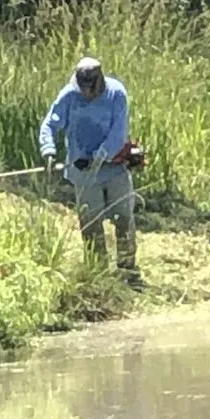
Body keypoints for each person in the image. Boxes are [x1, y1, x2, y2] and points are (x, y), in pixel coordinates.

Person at [38, 56, 141, 283]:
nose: (85, 92)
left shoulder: (116, 94)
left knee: (123, 217)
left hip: (114, 169)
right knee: (91, 223)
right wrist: (48, 151)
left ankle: (127, 271)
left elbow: (117, 134)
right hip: (83, 174)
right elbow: (50, 123)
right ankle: (99, 274)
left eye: (89, 88)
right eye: (81, 87)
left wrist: (97, 157)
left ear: (99, 81)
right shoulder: (69, 96)